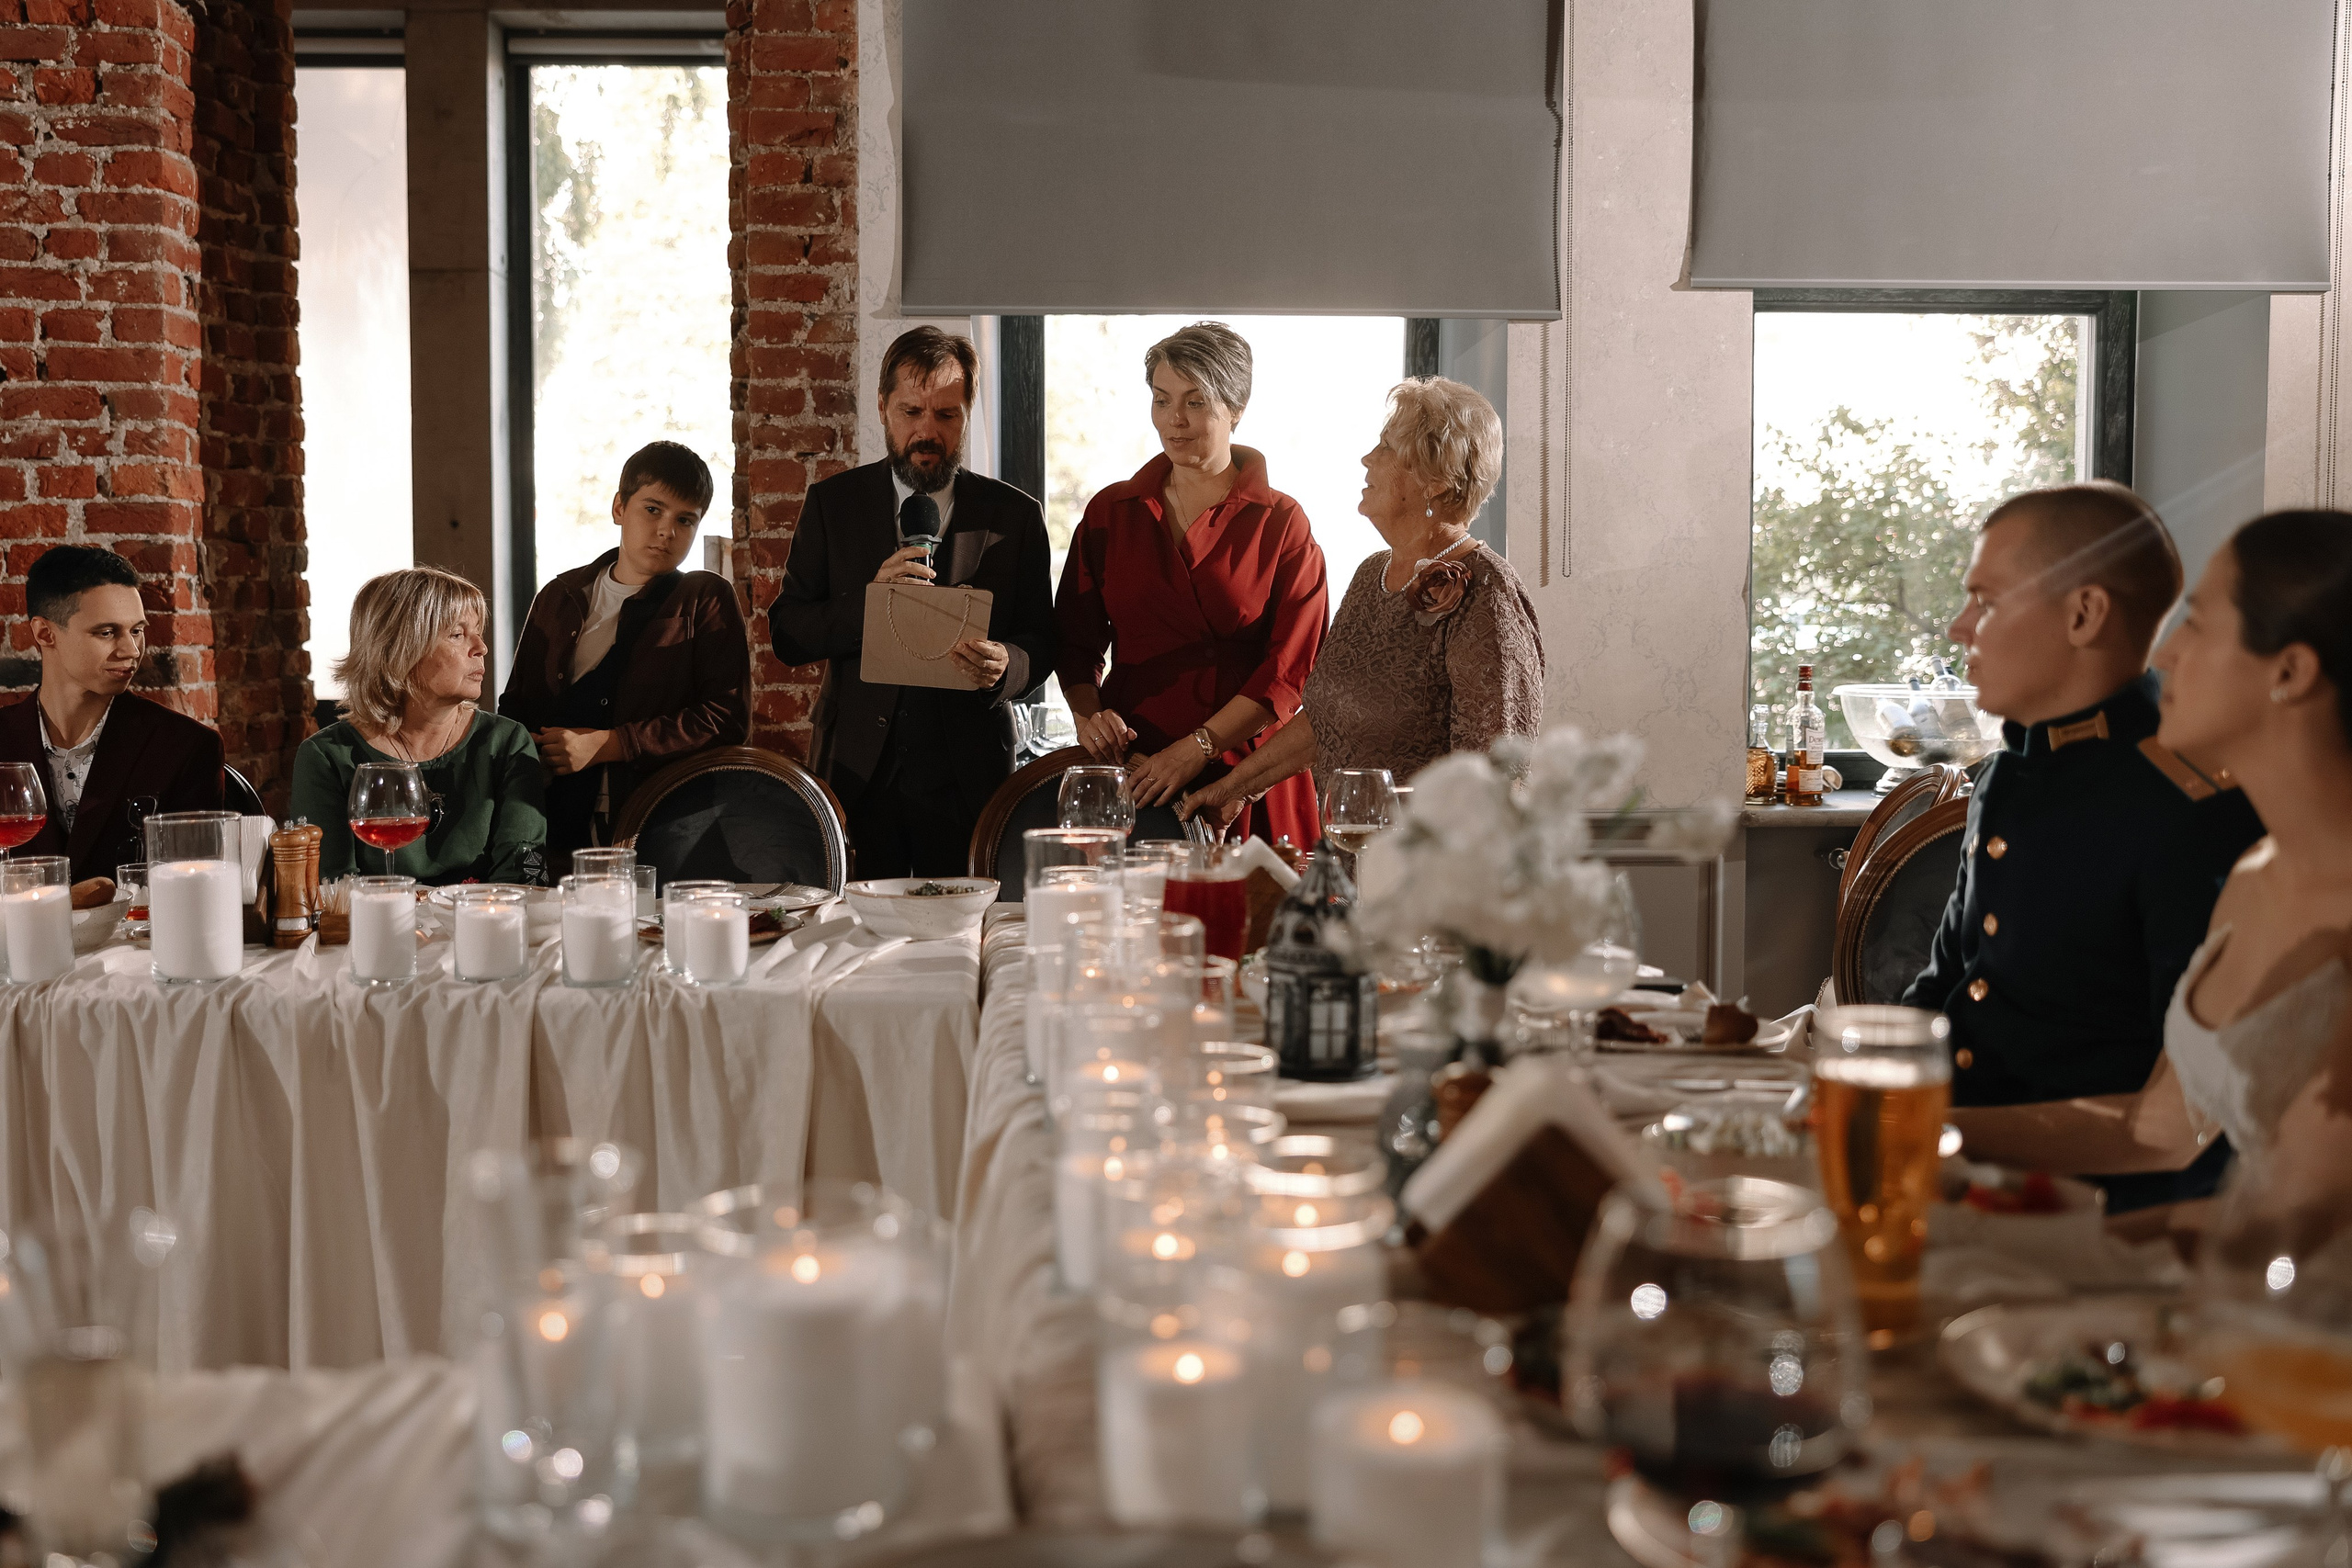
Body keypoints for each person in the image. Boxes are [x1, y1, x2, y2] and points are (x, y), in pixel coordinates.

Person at [1951, 510, 2351, 1207]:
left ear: (2289, 669)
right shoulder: (2257, 877)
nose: (2163, 655)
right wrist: (1909, 1123)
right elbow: (2164, 1128)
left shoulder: (2202, 826)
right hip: (2220, 1273)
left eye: (2196, 621)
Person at [1903, 482, 2264, 1212]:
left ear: (2083, 613)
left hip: (2101, 1213)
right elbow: (1945, 991)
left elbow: (2190, 1116)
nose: (1957, 626)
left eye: (1987, 599)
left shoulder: (2184, 806)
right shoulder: (2006, 775)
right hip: (1960, 1179)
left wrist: (1926, 1132)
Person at [1177, 378, 1543, 827]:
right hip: (1351, 862)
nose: (1368, 458)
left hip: (1427, 876)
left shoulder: (1489, 594)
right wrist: (1235, 787)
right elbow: (1327, 721)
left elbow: (1496, 781)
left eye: (1387, 447)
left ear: (1434, 480)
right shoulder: (1373, 575)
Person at [769, 326, 1057, 878]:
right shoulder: (834, 505)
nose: (928, 431)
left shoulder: (1014, 516)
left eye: (947, 415)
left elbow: (1041, 642)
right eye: (912, 411)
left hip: (969, 781)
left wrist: (1005, 666)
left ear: (968, 413)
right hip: (854, 780)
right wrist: (868, 605)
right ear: (882, 408)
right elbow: (788, 633)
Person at [1056, 321, 1329, 847]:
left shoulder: (1283, 522)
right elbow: (1073, 641)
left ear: (1236, 408)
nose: (1174, 420)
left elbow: (1289, 671)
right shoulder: (1111, 511)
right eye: (1162, 400)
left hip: (1245, 775)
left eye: (1195, 401)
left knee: (1257, 926)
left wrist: (1197, 749)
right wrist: (1089, 718)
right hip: (1136, 773)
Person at [499, 440, 750, 874]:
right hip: (551, 823)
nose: (666, 531)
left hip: (663, 825)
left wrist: (612, 745)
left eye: (684, 519)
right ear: (619, 507)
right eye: (653, 509)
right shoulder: (560, 596)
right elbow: (517, 708)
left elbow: (727, 719)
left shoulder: (704, 596)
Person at [292, 568, 548, 885]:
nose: (481, 647)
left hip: (483, 929)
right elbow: (333, 889)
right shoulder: (327, 757)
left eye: (479, 631)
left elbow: (523, 875)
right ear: (401, 648)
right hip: (377, 932)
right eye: (457, 634)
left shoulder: (506, 743)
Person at [0, 544, 223, 886]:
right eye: (107, 633)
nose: (132, 650)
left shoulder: (186, 747)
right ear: (45, 633)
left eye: (137, 630)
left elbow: (199, 891)